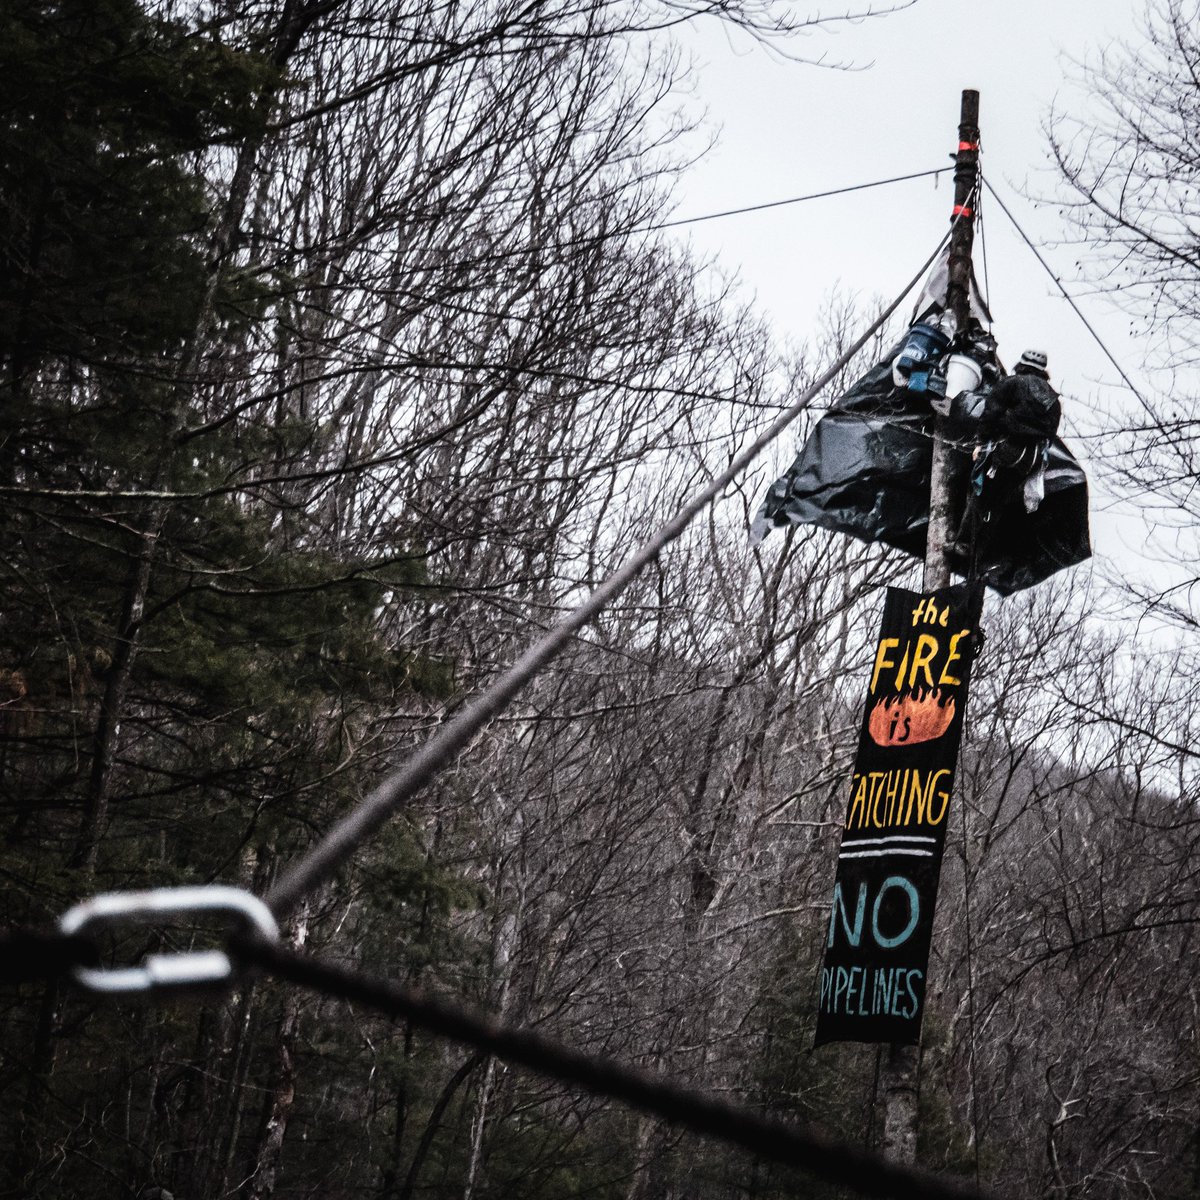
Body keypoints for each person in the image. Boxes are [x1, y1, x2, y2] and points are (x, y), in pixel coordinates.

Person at [950, 349, 1061, 557]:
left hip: (1004, 452)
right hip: (1030, 461)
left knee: (979, 494)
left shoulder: (1013, 384)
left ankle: (963, 543)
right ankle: (979, 550)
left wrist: (981, 443)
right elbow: (1050, 436)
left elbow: (990, 414)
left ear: (1022, 364)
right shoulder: (1053, 399)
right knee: (998, 502)